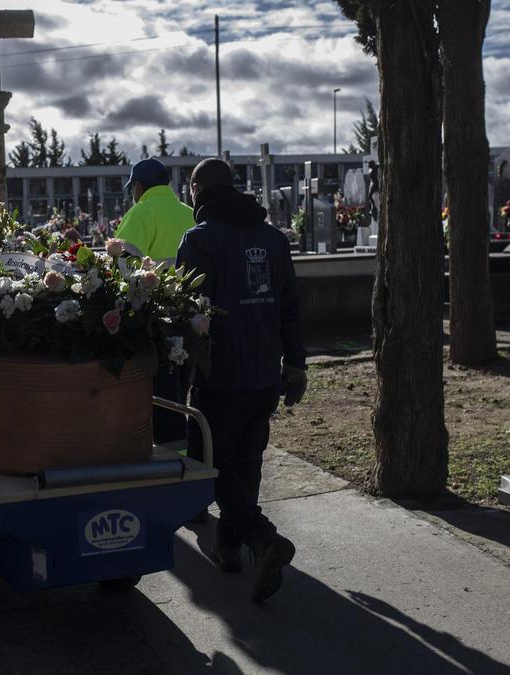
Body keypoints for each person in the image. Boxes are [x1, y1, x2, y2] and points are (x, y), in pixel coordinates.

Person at [176, 158, 308, 603]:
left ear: (197, 190)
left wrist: (179, 371)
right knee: (246, 463)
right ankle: (232, 547)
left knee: (207, 463)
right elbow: (290, 305)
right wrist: (296, 364)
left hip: (221, 376)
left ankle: (262, 538)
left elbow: (191, 314)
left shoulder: (199, 241)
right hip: (264, 374)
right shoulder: (273, 239)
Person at [115, 157, 197, 449]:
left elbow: (122, 269)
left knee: (160, 398)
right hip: (192, 317)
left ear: (138, 186)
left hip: (153, 320)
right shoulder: (190, 212)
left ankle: (170, 462)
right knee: (180, 392)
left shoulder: (139, 214)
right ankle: (185, 455)